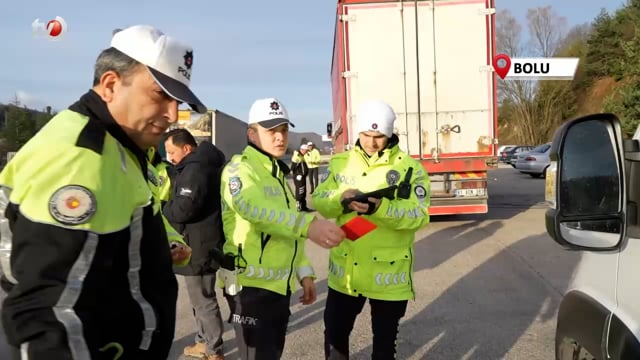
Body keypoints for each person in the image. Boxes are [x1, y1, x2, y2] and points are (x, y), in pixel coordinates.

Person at [0, 24, 202, 359]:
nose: (172, 115)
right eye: (160, 94)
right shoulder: (81, 159)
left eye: (177, 100)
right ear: (110, 85)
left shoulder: (122, 147)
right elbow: (48, 314)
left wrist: (159, 245)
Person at [218, 97, 346, 360]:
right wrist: (309, 225)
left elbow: (284, 230)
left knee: (272, 354)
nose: (280, 137)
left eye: (284, 130)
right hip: (249, 287)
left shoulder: (276, 174)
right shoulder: (239, 169)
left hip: (278, 287)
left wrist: (304, 272)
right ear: (251, 134)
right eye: (271, 131)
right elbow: (252, 208)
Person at [312, 100, 431, 360]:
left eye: (379, 137)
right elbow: (319, 200)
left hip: (388, 275)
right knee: (334, 339)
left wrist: (381, 209)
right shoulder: (340, 163)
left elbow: (419, 215)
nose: (372, 142)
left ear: (390, 134)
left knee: (384, 348)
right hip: (346, 272)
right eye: (366, 135)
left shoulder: (409, 168)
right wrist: (341, 198)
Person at [163, 128, 227, 360]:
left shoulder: (195, 169)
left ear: (187, 148)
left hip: (200, 244)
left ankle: (213, 349)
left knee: (203, 299)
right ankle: (203, 341)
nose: (170, 157)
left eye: (172, 152)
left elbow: (183, 208)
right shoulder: (199, 164)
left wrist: (162, 208)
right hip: (199, 241)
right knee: (198, 298)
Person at [291, 144, 312, 212]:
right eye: (306, 151)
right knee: (300, 192)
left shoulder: (301, 155)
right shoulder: (297, 156)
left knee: (303, 192)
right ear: (302, 150)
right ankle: (299, 207)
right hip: (299, 177)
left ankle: (304, 207)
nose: (306, 152)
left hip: (302, 177)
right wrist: (297, 175)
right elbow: (293, 167)